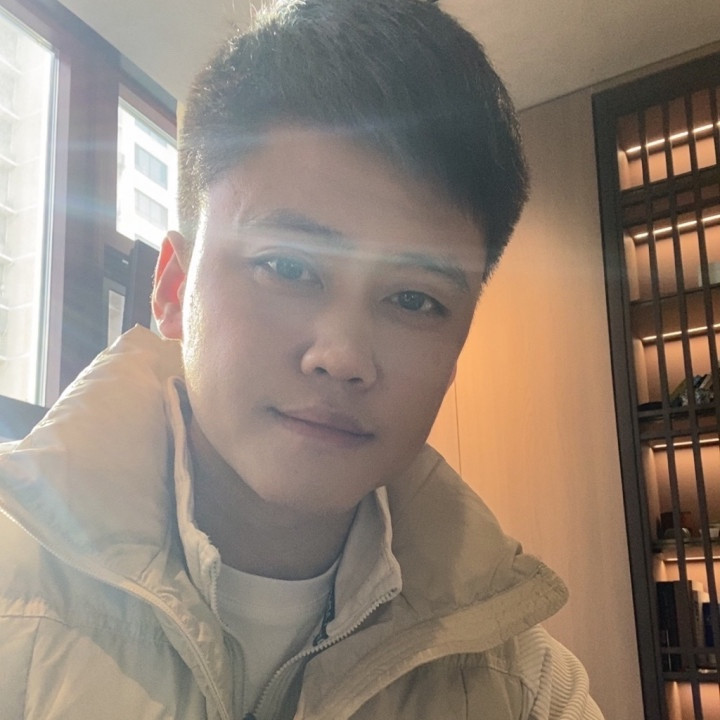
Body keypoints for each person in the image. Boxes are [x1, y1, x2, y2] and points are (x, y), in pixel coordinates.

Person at [0, 0, 604, 718]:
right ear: (173, 290)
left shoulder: (526, 688)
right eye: (286, 266)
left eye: (414, 300)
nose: (343, 356)